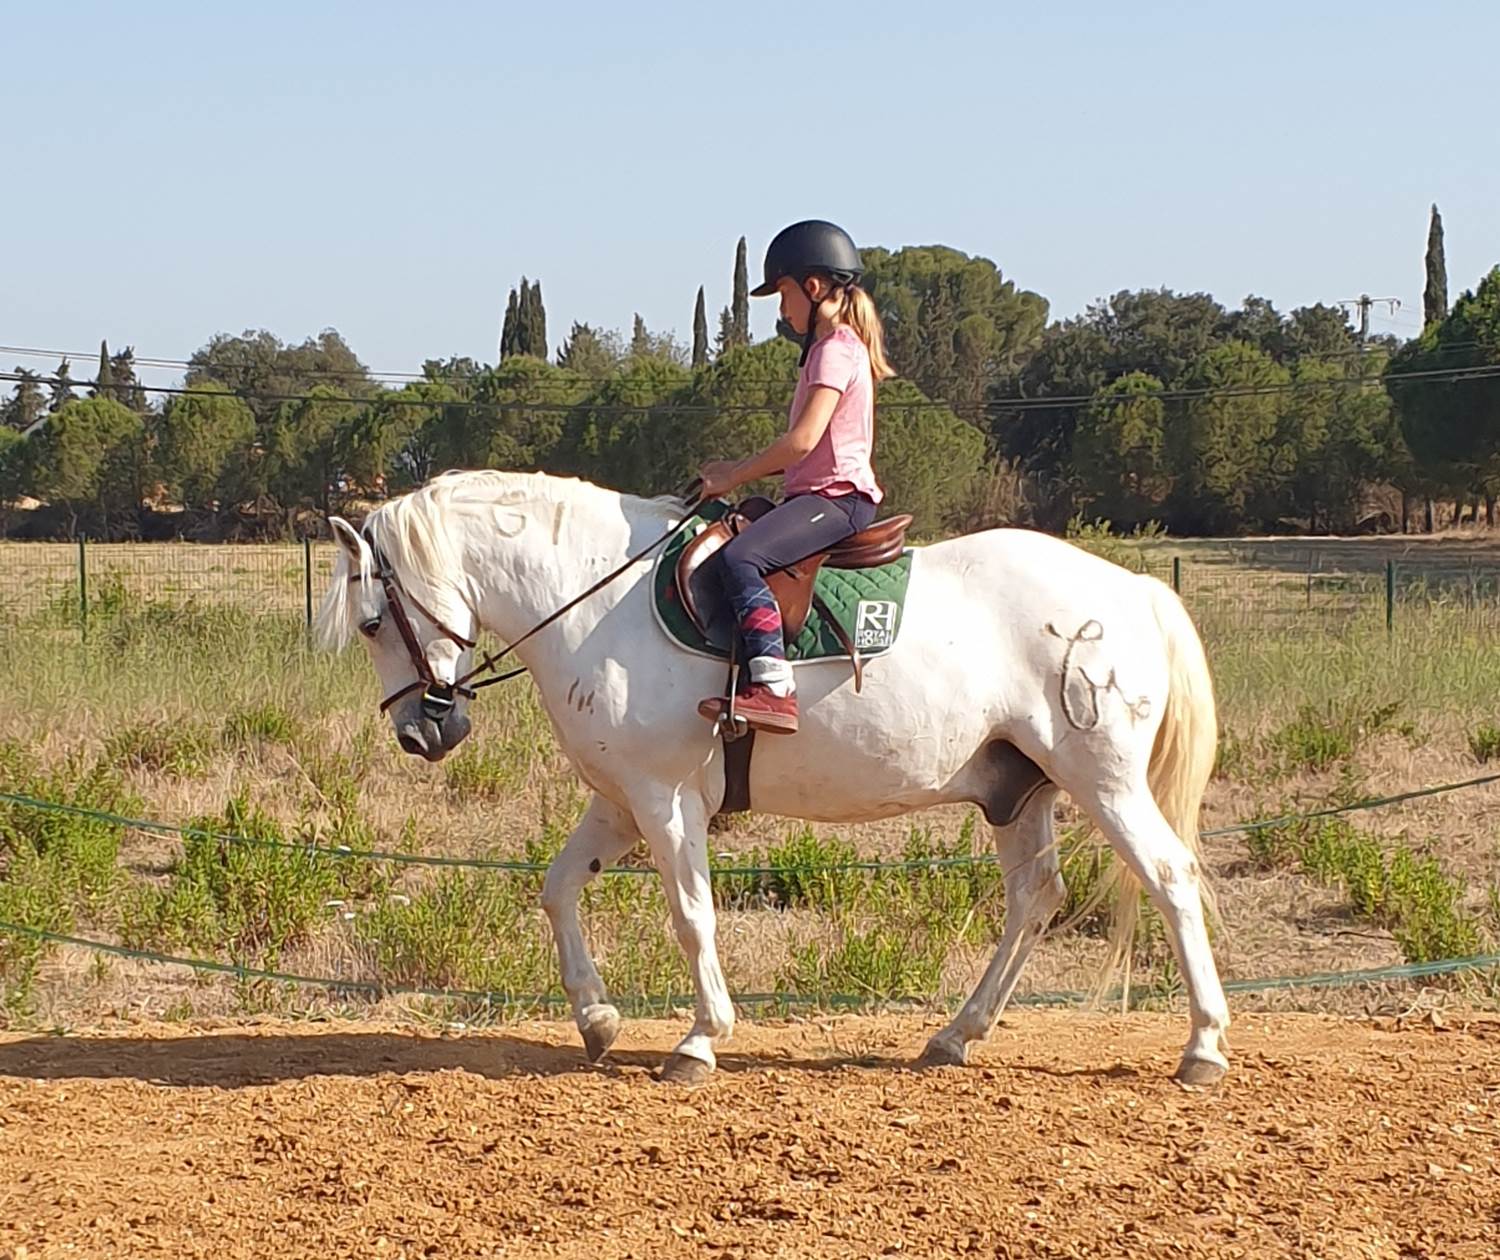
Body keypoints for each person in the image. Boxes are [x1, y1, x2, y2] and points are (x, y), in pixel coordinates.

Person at [696, 219, 894, 735]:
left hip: (838, 499)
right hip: (814, 495)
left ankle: (775, 688)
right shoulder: (827, 349)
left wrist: (734, 475)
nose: (782, 311)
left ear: (813, 287)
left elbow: (802, 442)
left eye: (784, 294)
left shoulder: (835, 350)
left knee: (741, 557)